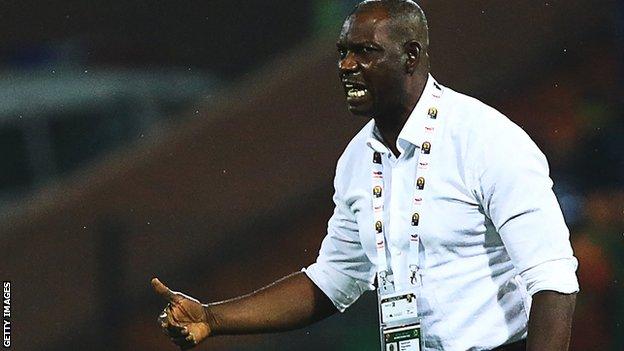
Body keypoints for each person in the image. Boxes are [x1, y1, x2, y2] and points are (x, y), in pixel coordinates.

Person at [151, 1, 579, 350]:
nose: (347, 65)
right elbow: (335, 278)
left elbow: (553, 279)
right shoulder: (357, 159)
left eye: (366, 52)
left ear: (411, 56)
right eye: (342, 51)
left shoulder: (486, 140)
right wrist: (213, 317)